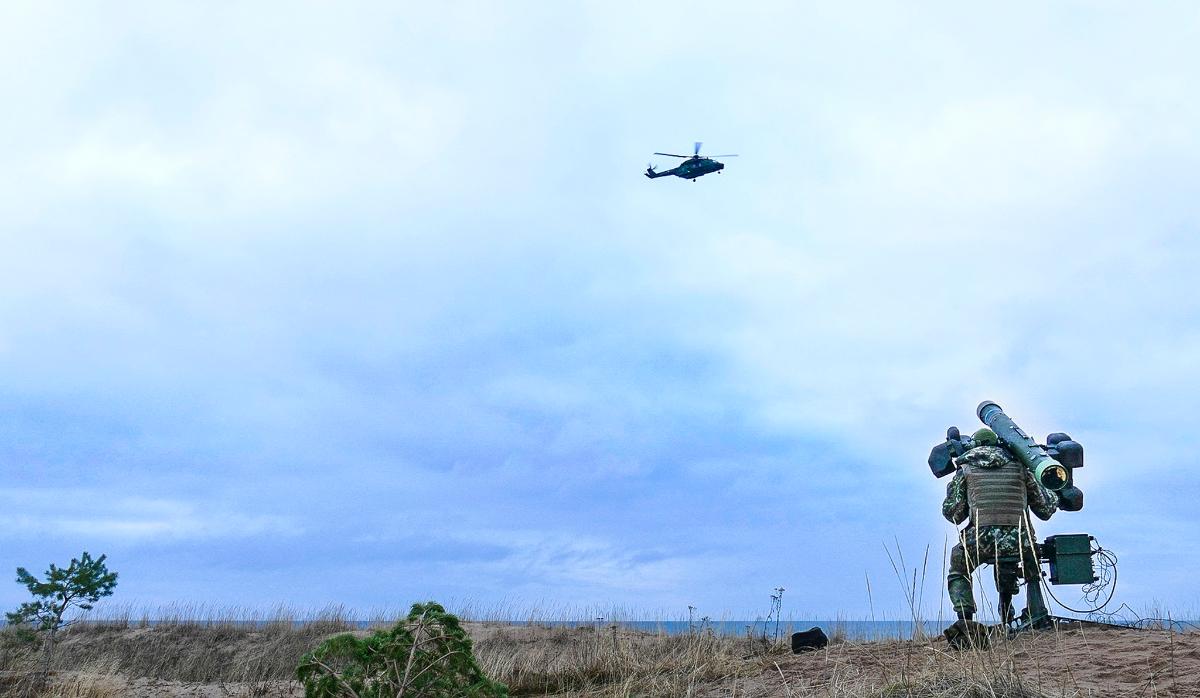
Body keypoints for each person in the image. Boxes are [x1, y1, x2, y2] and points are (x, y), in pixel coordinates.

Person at [942, 428, 1057, 625]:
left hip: (980, 540)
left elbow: (952, 514)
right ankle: (1015, 612)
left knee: (959, 569)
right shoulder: (1021, 468)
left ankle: (966, 621)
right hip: (1020, 541)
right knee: (1020, 561)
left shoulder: (966, 469)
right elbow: (1045, 510)